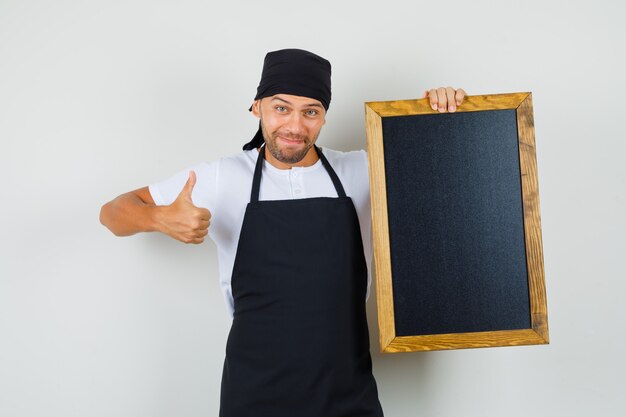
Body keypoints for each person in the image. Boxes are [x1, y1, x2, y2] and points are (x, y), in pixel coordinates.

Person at [100, 48, 466, 417]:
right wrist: (159, 218)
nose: (294, 126)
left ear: (323, 117)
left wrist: (440, 110)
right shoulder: (223, 177)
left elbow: (451, 167)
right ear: (256, 107)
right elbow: (112, 212)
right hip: (254, 394)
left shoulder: (363, 170)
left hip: (347, 392)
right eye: (281, 108)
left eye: (310, 112)